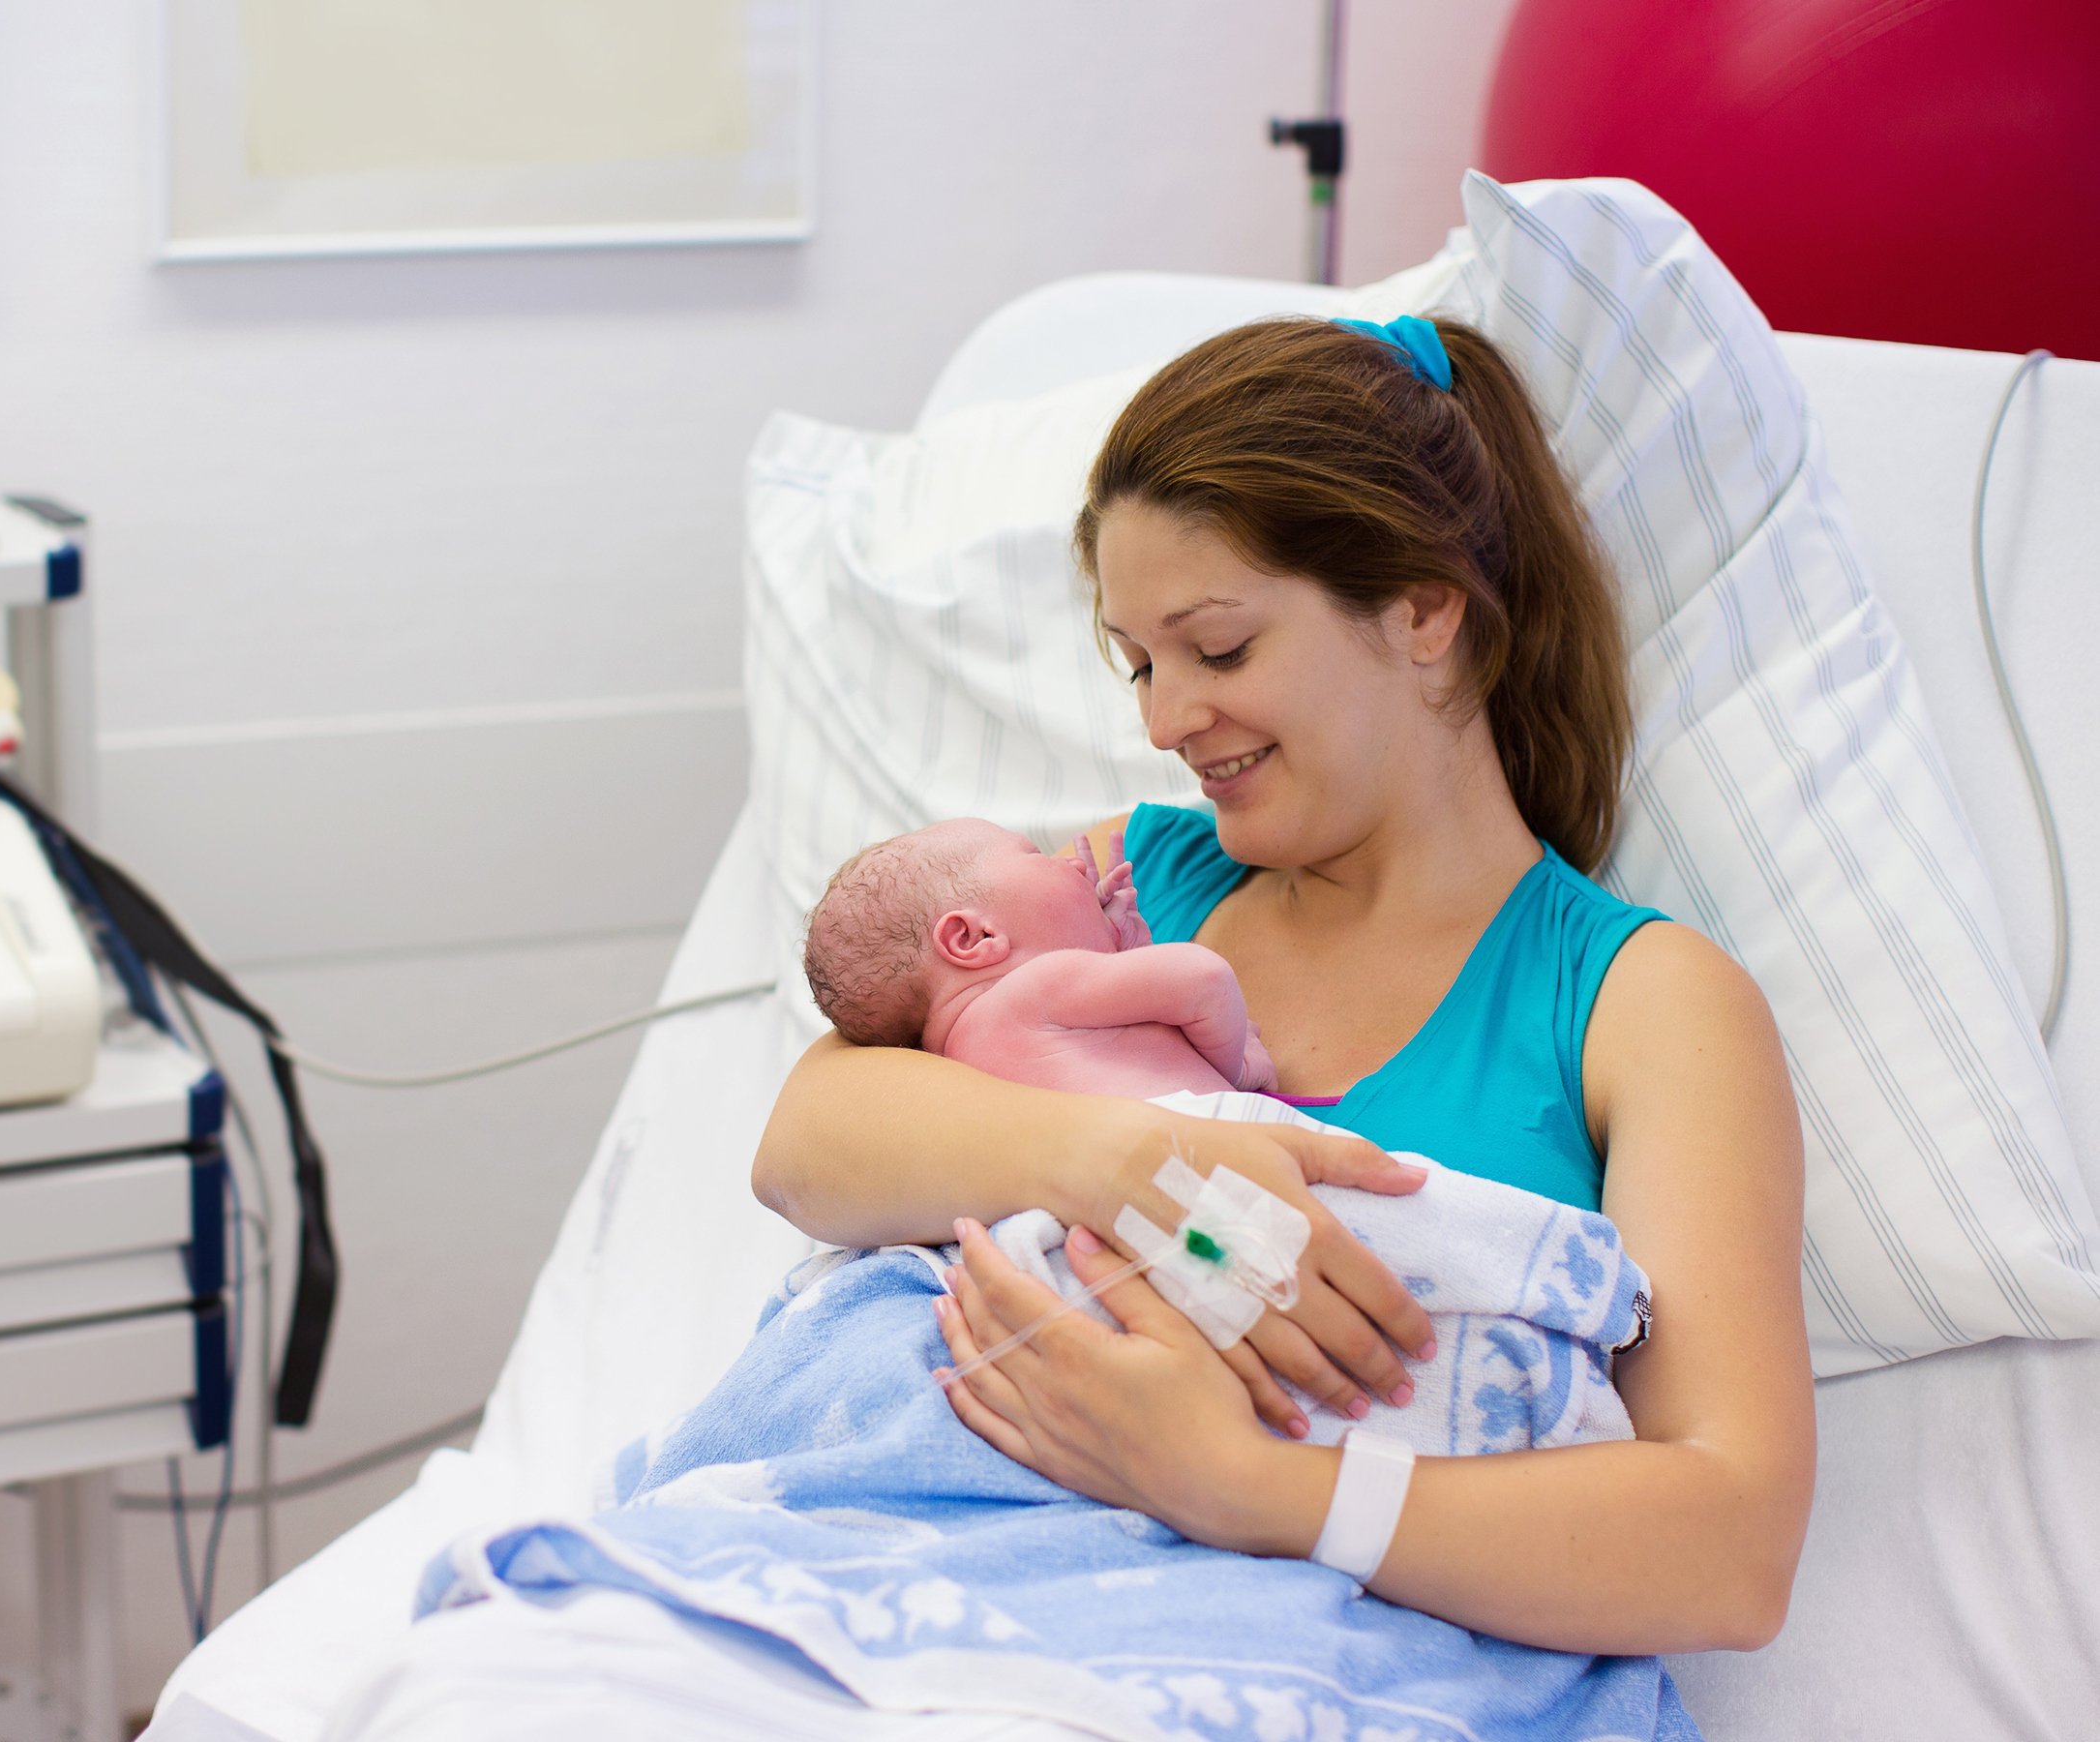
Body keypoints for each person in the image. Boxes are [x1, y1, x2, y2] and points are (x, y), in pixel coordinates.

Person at [753, 314, 1816, 1655]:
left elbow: (1730, 1551)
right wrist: (1137, 1171)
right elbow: (805, 1146)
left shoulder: (1637, 1000)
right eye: (1140, 663)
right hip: (958, 1592)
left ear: (1425, 608)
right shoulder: (1120, 889)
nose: (1160, 719)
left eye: (1219, 649)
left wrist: (1255, 1490)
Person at [801, 818, 1277, 1098]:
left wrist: (1123, 950)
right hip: (1205, 1157)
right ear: (974, 937)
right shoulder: (1038, 986)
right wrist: (1235, 1066)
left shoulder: (953, 1070)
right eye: (1037, 856)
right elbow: (1203, 979)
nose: (1070, 863)